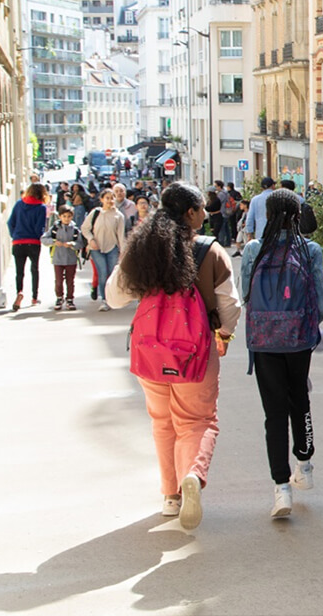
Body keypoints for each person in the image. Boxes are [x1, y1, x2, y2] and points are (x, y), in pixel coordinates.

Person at [106, 182, 241, 530]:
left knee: (162, 422)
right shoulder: (210, 251)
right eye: (200, 210)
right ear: (191, 213)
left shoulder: (143, 249)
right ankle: (192, 476)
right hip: (194, 352)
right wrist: (224, 334)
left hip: (149, 351)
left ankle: (170, 495)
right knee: (196, 421)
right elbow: (230, 304)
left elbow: (114, 296)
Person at [240, 188, 323, 519]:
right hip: (298, 339)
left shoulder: (253, 250)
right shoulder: (310, 250)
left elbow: (245, 296)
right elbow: (320, 306)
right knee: (299, 401)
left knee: (273, 414)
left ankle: (281, 489)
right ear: (296, 216)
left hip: (264, 341)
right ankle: (304, 463)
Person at [81, 186, 127, 311]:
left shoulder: (119, 216)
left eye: (112, 198)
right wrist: (91, 239)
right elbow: (85, 228)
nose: (110, 200)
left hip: (112, 247)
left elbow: (121, 235)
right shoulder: (96, 213)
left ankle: (111, 298)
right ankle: (104, 300)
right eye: (107, 198)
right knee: (102, 273)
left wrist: (123, 251)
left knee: (111, 274)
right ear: (101, 200)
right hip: (96, 247)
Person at [6, 183, 50, 311]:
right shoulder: (41, 208)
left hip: (18, 242)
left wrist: (15, 235)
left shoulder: (19, 204)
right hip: (33, 243)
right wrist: (38, 236)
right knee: (34, 269)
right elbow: (39, 228)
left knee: (19, 271)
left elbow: (10, 222)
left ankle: (19, 292)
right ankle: (34, 297)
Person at [42, 204, 81, 310]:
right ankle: (59, 297)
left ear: (72, 217)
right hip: (58, 258)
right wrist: (54, 242)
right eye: (64, 216)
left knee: (70, 280)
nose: (66, 219)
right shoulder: (55, 228)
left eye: (69, 216)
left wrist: (73, 244)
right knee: (58, 280)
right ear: (60, 216)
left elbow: (80, 243)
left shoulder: (75, 230)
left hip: (71, 259)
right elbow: (44, 239)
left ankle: (70, 299)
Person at [244, 176, 276, 241]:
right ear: (273, 186)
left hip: (260, 232)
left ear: (262, 188)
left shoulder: (255, 199)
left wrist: (249, 233)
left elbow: (250, 218)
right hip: (276, 232)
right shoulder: (277, 198)